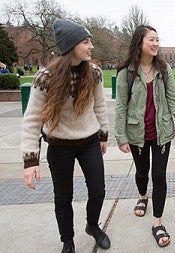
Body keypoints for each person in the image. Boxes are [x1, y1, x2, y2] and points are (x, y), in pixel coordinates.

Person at [21, 19, 110, 253]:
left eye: (91, 41)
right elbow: (32, 119)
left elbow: (99, 106)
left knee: (98, 190)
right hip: (59, 146)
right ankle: (67, 241)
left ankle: (92, 226)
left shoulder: (95, 73)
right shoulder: (46, 77)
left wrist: (103, 135)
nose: (91, 47)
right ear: (71, 46)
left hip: (89, 142)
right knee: (63, 197)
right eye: (86, 42)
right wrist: (30, 161)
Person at [114, 25, 175, 247]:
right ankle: (143, 197)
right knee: (142, 172)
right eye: (151, 39)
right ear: (139, 42)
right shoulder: (126, 73)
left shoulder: (164, 69)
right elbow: (121, 107)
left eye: (157, 40)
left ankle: (157, 222)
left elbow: (173, 100)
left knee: (159, 175)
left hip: (162, 132)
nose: (155, 44)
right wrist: (121, 137)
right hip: (136, 133)